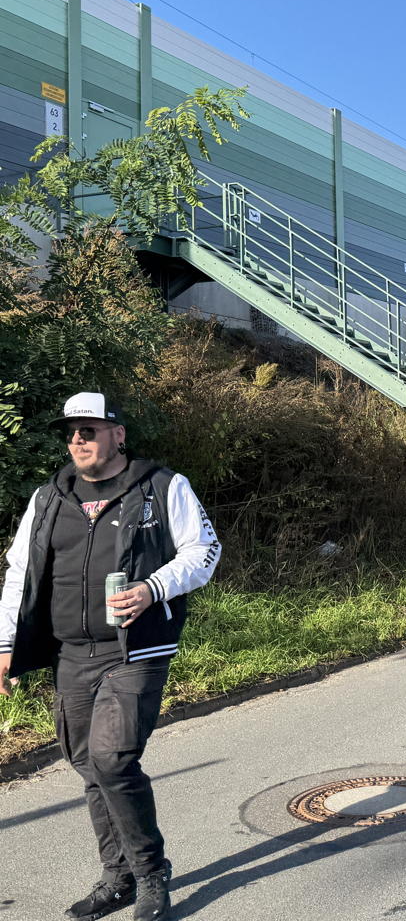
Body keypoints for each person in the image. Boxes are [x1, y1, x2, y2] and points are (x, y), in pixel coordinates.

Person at [0, 392, 221, 921]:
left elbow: (204, 551)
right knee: (87, 764)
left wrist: (153, 588)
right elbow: (19, 572)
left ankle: (149, 872)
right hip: (70, 653)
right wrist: (5, 643)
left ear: (118, 435)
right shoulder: (49, 497)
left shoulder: (162, 486)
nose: (78, 439)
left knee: (113, 759)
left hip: (135, 650)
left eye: (89, 429)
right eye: (71, 431)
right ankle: (117, 875)